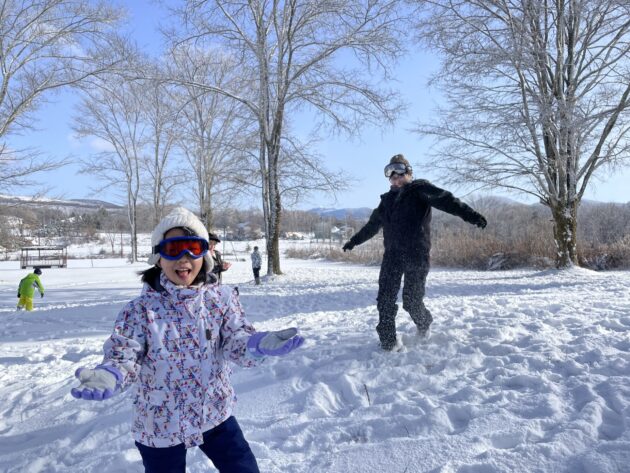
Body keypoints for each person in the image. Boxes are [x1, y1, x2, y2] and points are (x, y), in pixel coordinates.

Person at [70, 207, 304, 473]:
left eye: (193, 248)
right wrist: (111, 373)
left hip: (214, 412)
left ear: (204, 255)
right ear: (158, 258)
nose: (184, 258)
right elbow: (125, 355)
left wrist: (257, 344)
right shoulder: (139, 311)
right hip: (160, 423)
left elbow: (235, 339)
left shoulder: (222, 299)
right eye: (173, 249)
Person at [342, 154, 487, 351]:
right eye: (391, 174)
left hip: (416, 254)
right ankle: (388, 342)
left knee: (411, 301)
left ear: (409, 173)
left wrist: (472, 216)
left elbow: (447, 201)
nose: (395, 177)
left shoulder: (420, 190)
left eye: (399, 172)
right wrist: (354, 241)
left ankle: (424, 323)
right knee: (385, 299)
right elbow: (372, 226)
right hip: (392, 255)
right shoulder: (386, 201)